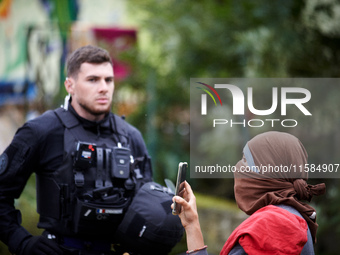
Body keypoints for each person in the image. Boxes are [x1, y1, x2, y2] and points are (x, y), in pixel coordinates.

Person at [0, 45, 154, 255]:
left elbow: (147, 209)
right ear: (70, 85)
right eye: (93, 80)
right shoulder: (42, 131)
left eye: (108, 80)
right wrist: (22, 242)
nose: (103, 88)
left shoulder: (131, 137)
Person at [173, 131, 326, 255]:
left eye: (246, 160)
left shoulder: (274, 225)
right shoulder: (292, 215)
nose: (237, 168)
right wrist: (192, 224)